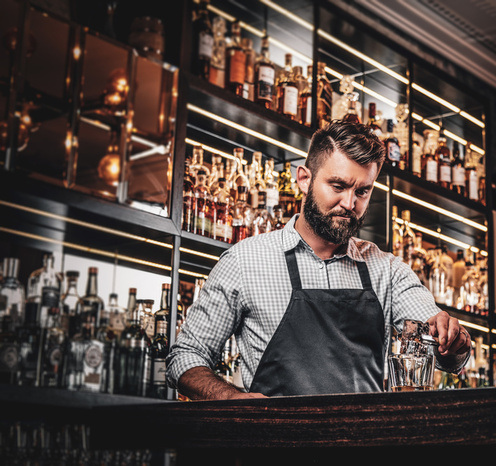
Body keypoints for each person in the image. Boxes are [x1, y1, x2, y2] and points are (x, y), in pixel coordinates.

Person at [166, 120, 471, 400]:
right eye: (337, 186)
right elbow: (186, 355)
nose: (349, 203)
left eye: (362, 191)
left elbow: (440, 343)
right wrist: (231, 398)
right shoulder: (244, 261)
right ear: (304, 179)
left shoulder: (387, 270)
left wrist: (451, 340)